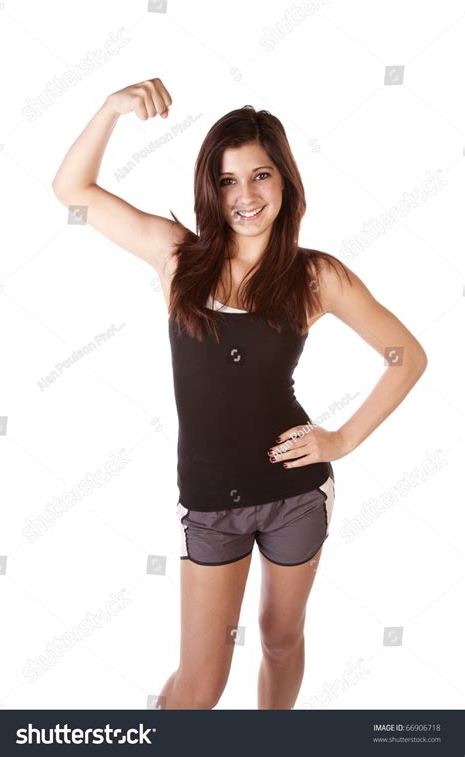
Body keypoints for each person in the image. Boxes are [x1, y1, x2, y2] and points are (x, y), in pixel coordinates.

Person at [52, 77, 428, 710]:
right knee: (201, 685)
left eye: (260, 177)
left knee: (281, 640)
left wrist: (340, 439)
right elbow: (72, 190)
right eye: (228, 181)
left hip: (295, 492)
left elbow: (406, 356)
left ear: (284, 181)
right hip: (209, 500)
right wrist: (114, 107)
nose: (246, 196)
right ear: (210, 189)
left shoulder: (318, 276)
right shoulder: (177, 257)